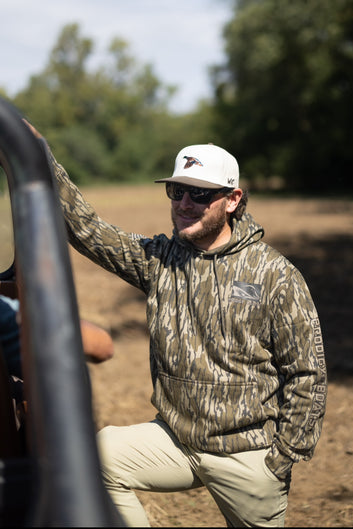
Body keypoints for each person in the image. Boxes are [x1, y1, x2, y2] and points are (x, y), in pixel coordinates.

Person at [26, 121, 327, 527]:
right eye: (176, 190)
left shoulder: (273, 272)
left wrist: (282, 458)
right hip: (174, 441)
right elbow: (87, 230)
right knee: (96, 457)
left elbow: (308, 371)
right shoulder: (159, 260)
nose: (184, 203)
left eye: (199, 194)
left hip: (248, 455)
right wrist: (39, 153)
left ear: (233, 199)